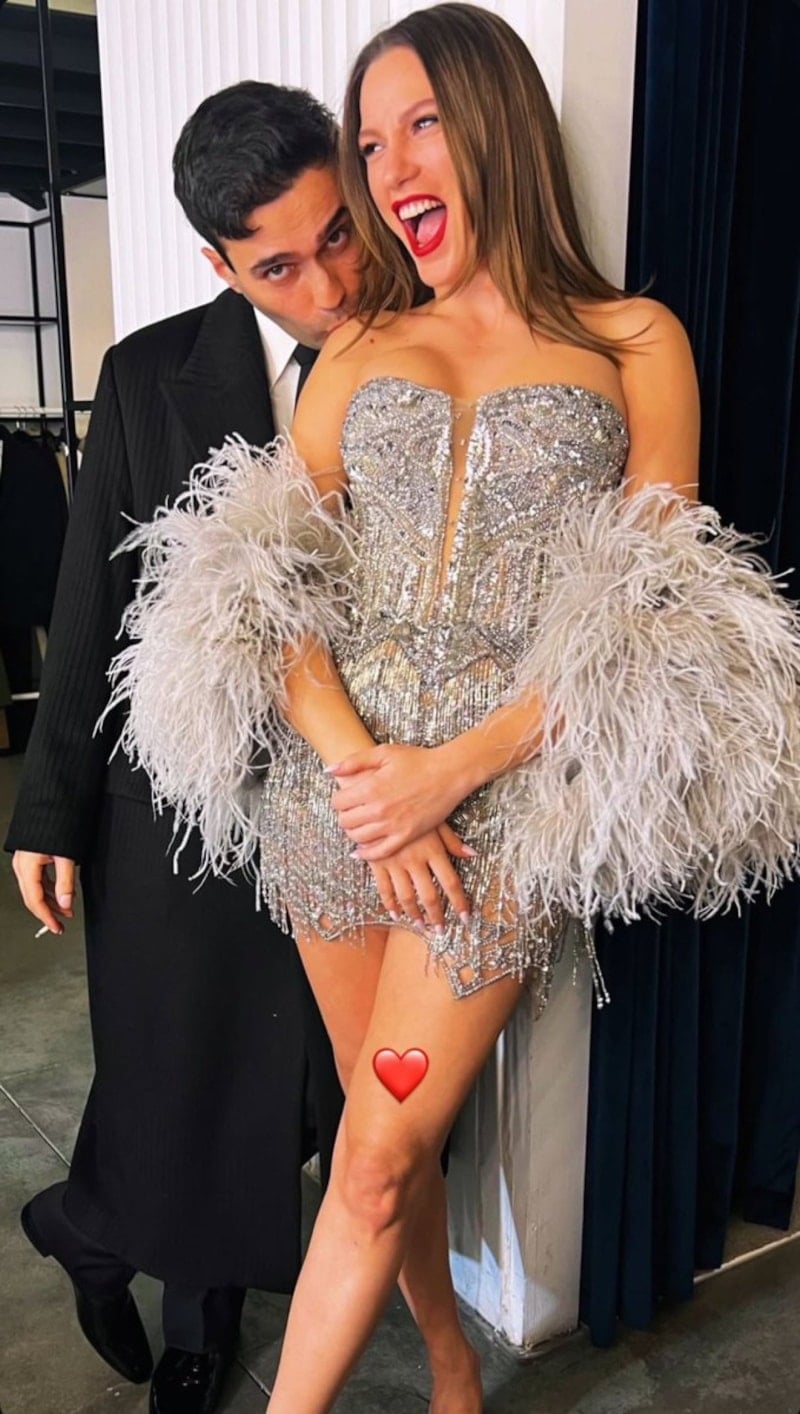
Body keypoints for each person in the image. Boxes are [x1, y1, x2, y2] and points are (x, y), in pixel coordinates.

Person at [109, 6, 800, 1412]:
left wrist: (452, 772)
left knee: (370, 1155)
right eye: (371, 141)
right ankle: (444, 1357)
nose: (391, 165)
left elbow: (650, 620)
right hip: (335, 810)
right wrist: (365, 772)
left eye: (419, 123)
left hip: (502, 820)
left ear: (496, 123)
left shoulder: (634, 338)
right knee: (389, 1136)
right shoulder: (358, 349)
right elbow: (264, 586)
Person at [4, 81, 354, 1414]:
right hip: (184, 804)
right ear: (221, 264)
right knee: (199, 1071)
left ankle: (86, 1225)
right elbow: (89, 600)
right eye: (280, 265)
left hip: (354, 799)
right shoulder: (149, 374)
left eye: (338, 235)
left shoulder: (418, 352)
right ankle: (200, 1326)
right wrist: (48, 812)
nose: (326, 283)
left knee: (312, 1085)